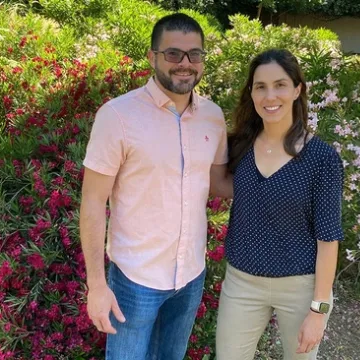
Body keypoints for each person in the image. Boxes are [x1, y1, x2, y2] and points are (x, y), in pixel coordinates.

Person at [79, 13, 232, 360]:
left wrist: (278, 178)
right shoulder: (117, 116)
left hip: (191, 275)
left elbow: (220, 182)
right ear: (152, 57)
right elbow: (92, 203)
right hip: (135, 280)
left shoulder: (212, 116)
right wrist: (97, 286)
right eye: (174, 54)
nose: (185, 64)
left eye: (195, 55)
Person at [215, 48, 344, 360]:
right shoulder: (241, 146)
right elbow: (221, 187)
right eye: (260, 86)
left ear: (297, 89)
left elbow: (328, 239)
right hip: (242, 283)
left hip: (299, 288)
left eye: (280, 84)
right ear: (252, 93)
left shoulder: (322, 158)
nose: (270, 95)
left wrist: (319, 309)